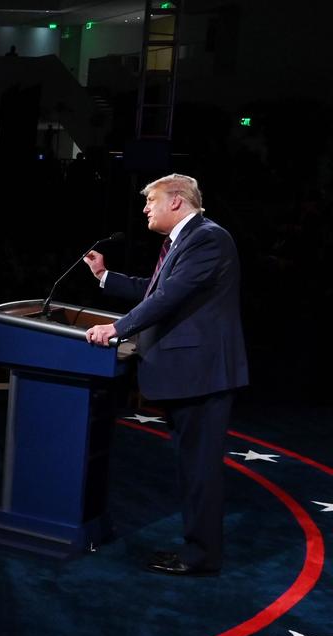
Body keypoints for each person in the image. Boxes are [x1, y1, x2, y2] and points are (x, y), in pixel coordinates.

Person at [82, 173, 248, 577]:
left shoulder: (209, 238)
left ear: (176, 201)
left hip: (202, 375)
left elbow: (170, 296)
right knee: (192, 467)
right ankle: (198, 550)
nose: (145, 209)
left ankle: (201, 556)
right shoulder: (184, 242)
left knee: (200, 470)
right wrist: (105, 276)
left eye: (151, 201)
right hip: (191, 375)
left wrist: (117, 329)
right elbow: (156, 290)